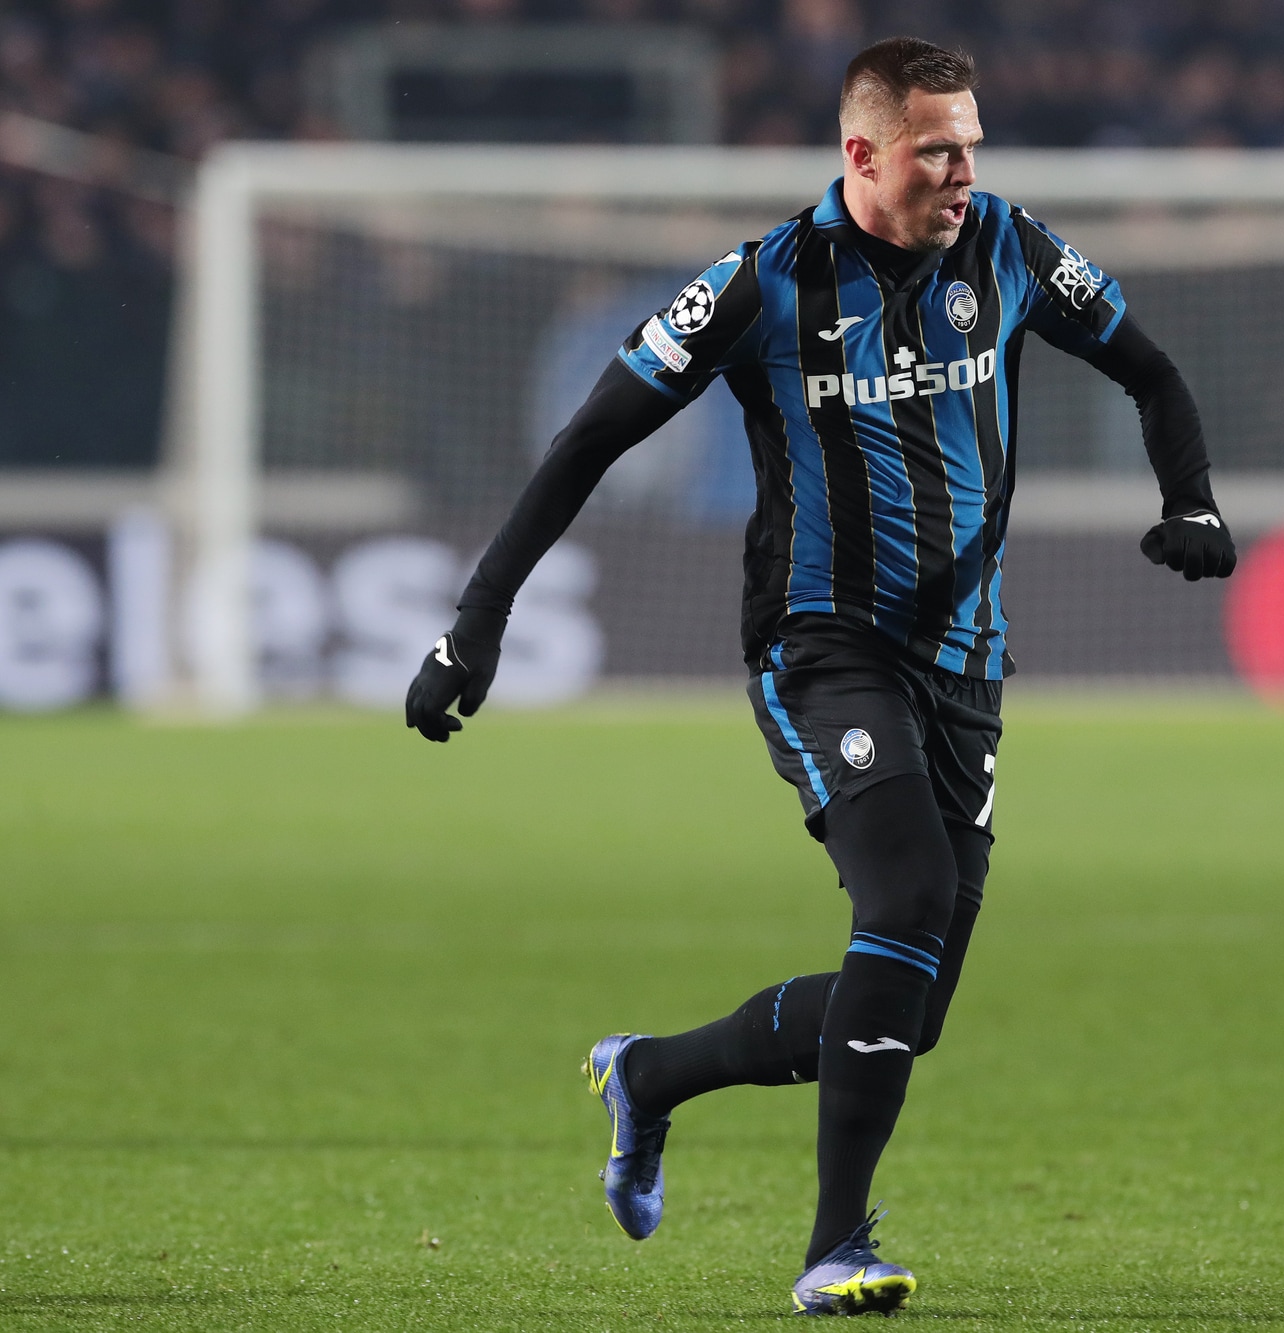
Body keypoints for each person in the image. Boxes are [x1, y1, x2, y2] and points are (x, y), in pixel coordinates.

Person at [403, 37, 1235, 1316]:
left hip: (967, 662)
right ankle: (833, 1244)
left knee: (909, 1002)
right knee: (905, 895)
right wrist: (476, 622)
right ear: (862, 152)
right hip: (821, 645)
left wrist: (1190, 499)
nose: (961, 172)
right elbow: (588, 440)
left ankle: (651, 1075)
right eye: (935, 150)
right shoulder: (765, 283)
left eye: (969, 146)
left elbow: (1152, 371)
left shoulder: (1009, 247)